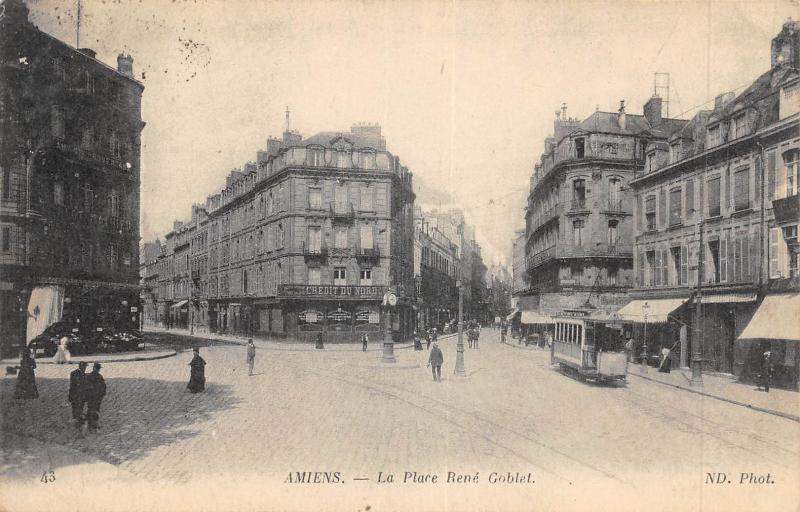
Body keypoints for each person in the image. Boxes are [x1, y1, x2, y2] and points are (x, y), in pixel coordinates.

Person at [84, 363, 106, 431]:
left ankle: (94, 423)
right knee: (92, 409)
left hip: (97, 396)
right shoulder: (90, 376)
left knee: (96, 409)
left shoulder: (99, 376)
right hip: (92, 396)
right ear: (94, 368)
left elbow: (103, 386)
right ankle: (90, 424)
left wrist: (102, 394)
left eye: (98, 369)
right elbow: (86, 386)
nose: (98, 370)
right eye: (97, 368)